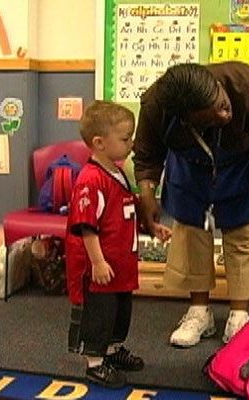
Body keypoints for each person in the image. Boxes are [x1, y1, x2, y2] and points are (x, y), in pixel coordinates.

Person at [133, 61, 249, 347]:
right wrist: (147, 195)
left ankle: (239, 313)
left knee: (244, 237)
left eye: (222, 104)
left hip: (244, 167)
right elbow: (147, 156)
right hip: (190, 168)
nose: (223, 112)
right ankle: (198, 312)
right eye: (213, 115)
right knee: (191, 236)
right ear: (187, 118)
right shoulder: (157, 104)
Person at [65, 100, 171, 388]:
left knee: (120, 313)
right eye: (125, 139)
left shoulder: (116, 172)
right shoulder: (90, 180)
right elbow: (86, 226)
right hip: (103, 267)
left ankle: (112, 350)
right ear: (99, 143)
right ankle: (95, 363)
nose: (132, 144)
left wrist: (151, 227)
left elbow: (122, 212)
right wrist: (97, 262)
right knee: (100, 315)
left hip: (121, 265)